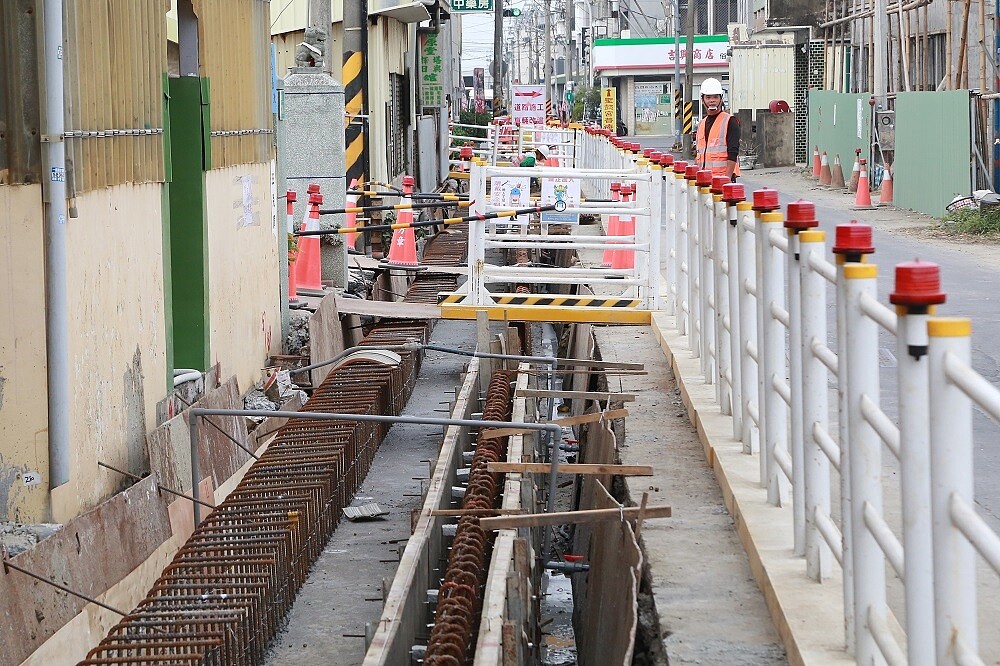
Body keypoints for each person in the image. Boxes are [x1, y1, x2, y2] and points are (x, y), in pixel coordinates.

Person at [695, 78, 741, 182]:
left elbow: (733, 152)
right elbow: (699, 154)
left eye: (716, 97)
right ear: (703, 100)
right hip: (704, 179)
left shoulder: (730, 121)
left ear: (721, 99)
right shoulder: (701, 124)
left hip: (723, 180)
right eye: (708, 97)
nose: (712, 100)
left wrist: (727, 178)